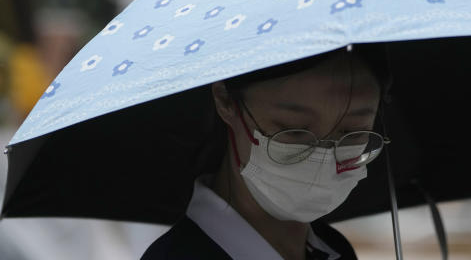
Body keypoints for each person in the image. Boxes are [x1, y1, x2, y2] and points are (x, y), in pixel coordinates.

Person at [140, 46, 390, 260]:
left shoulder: (335, 248)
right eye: (294, 131)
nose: (322, 159)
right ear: (226, 101)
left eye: (353, 132)